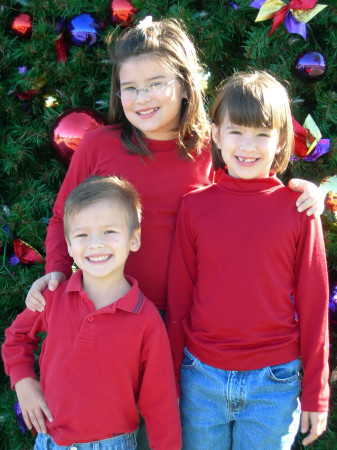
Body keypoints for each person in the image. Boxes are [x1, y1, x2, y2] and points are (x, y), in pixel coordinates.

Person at [24, 17, 324, 449]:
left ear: (185, 85)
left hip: (179, 328)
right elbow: (59, 218)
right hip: (108, 316)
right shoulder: (98, 146)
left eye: (155, 83)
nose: (142, 97)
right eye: (130, 87)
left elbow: (251, 187)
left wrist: (304, 189)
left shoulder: (210, 150)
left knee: (165, 434)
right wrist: (55, 269)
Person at [166, 71, 330, 450]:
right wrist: (171, 380)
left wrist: (316, 392)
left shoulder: (299, 210)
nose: (248, 145)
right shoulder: (194, 208)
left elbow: (314, 307)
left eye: (262, 134)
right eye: (237, 131)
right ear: (217, 136)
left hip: (273, 383)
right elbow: (178, 302)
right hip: (200, 378)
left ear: (280, 142)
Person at [2, 175, 182, 450]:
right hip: (50, 442)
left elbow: (160, 402)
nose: (95, 244)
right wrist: (24, 382)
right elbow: (16, 337)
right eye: (82, 234)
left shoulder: (145, 320)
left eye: (109, 231)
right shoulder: (53, 297)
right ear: (69, 245)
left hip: (113, 444)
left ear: (134, 239)